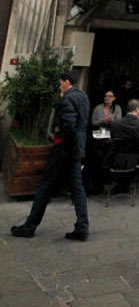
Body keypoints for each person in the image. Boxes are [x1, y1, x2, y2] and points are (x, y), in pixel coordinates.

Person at [11, 70, 90, 241]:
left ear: (67, 82)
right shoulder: (83, 97)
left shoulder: (68, 99)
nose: (59, 85)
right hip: (77, 149)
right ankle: (82, 226)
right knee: (77, 189)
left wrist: (59, 142)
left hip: (64, 151)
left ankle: (30, 226)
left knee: (45, 187)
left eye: (60, 82)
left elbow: (68, 125)